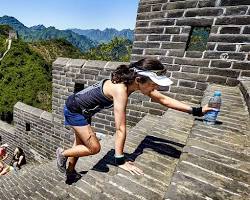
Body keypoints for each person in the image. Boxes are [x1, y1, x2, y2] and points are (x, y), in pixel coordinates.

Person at [56, 58, 212, 179]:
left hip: (83, 110)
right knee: (94, 148)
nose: (155, 88)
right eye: (153, 84)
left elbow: (164, 100)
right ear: (139, 80)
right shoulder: (120, 90)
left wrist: (197, 110)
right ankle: (62, 153)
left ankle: (70, 172)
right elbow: (120, 128)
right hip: (74, 110)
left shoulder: (133, 82)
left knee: (80, 144)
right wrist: (120, 160)